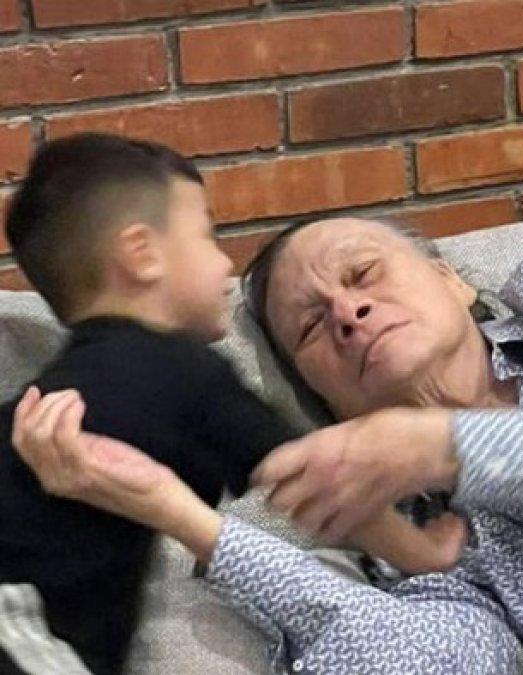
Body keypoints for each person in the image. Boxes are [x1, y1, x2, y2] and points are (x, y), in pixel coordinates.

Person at [10, 216, 523, 673]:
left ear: (450, 279)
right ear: (327, 403)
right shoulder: (416, 541)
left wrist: (450, 444)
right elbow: (429, 661)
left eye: (363, 273)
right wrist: (183, 516)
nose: (348, 311)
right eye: (312, 326)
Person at [0, 135, 464, 675]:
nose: (224, 262)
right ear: (142, 255)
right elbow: (320, 477)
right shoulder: (184, 372)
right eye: (206, 235)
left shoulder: (74, 384)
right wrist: (421, 552)